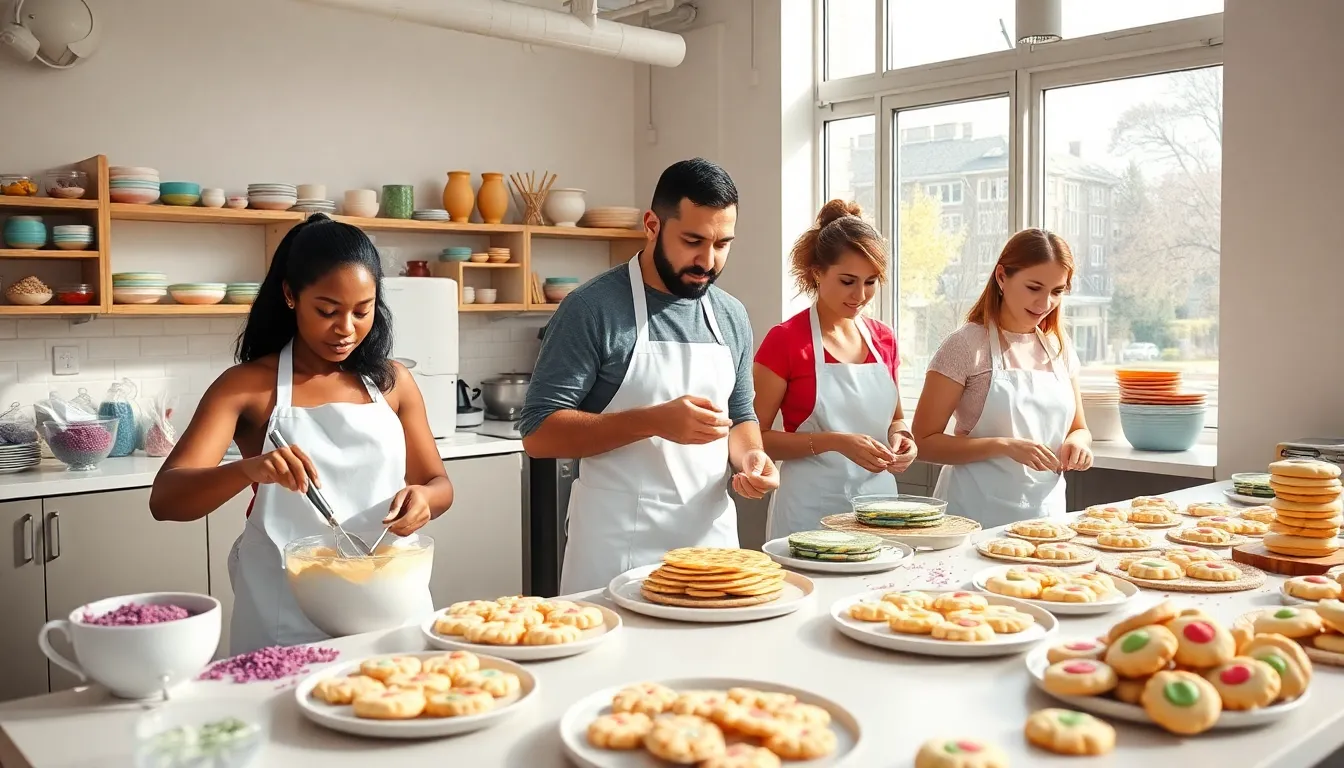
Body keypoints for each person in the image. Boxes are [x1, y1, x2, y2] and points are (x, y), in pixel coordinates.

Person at [148, 214, 454, 654]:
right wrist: (248, 469)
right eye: (327, 311)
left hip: (390, 604)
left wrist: (424, 500)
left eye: (361, 311)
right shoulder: (246, 387)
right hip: (284, 615)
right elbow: (166, 500)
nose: (346, 328)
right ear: (291, 295)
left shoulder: (393, 382)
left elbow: (439, 484)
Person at [520, 158, 779, 593]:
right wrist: (653, 421)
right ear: (652, 225)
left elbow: (740, 415)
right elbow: (539, 434)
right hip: (617, 550)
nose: (708, 260)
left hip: (709, 549)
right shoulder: (591, 309)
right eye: (693, 240)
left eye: (722, 244)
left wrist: (751, 457)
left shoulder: (731, 315)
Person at [753, 200, 916, 540]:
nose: (860, 295)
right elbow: (757, 439)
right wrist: (835, 442)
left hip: (879, 508)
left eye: (871, 282)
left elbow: (896, 419)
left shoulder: (884, 339)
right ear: (817, 272)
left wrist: (903, 439)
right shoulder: (785, 341)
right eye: (848, 281)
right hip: (811, 511)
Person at [912, 228, 1093, 528]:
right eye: (1034, 287)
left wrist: (1079, 445)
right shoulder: (966, 345)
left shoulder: (1059, 347)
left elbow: (1080, 428)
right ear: (1001, 277)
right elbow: (923, 442)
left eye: (1057, 291)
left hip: (1045, 517)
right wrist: (1004, 446)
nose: (1045, 302)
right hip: (972, 515)